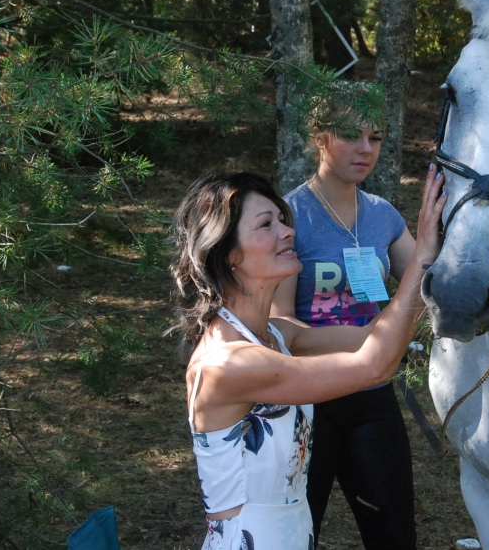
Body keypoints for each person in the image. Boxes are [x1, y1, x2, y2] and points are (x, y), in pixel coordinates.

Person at [171, 167, 445, 550]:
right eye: (266, 224)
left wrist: (433, 266)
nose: (288, 231)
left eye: (283, 219)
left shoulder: (278, 336)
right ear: (228, 253)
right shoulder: (228, 363)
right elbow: (374, 365)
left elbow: (373, 338)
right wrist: (422, 258)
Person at [271, 124, 418, 549]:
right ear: (319, 137)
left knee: (393, 534)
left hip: (372, 394)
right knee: (297, 536)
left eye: (375, 138)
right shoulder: (289, 218)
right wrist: (374, 336)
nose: (365, 149)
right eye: (352, 136)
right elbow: (283, 329)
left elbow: (424, 289)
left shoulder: (382, 215)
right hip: (306, 400)